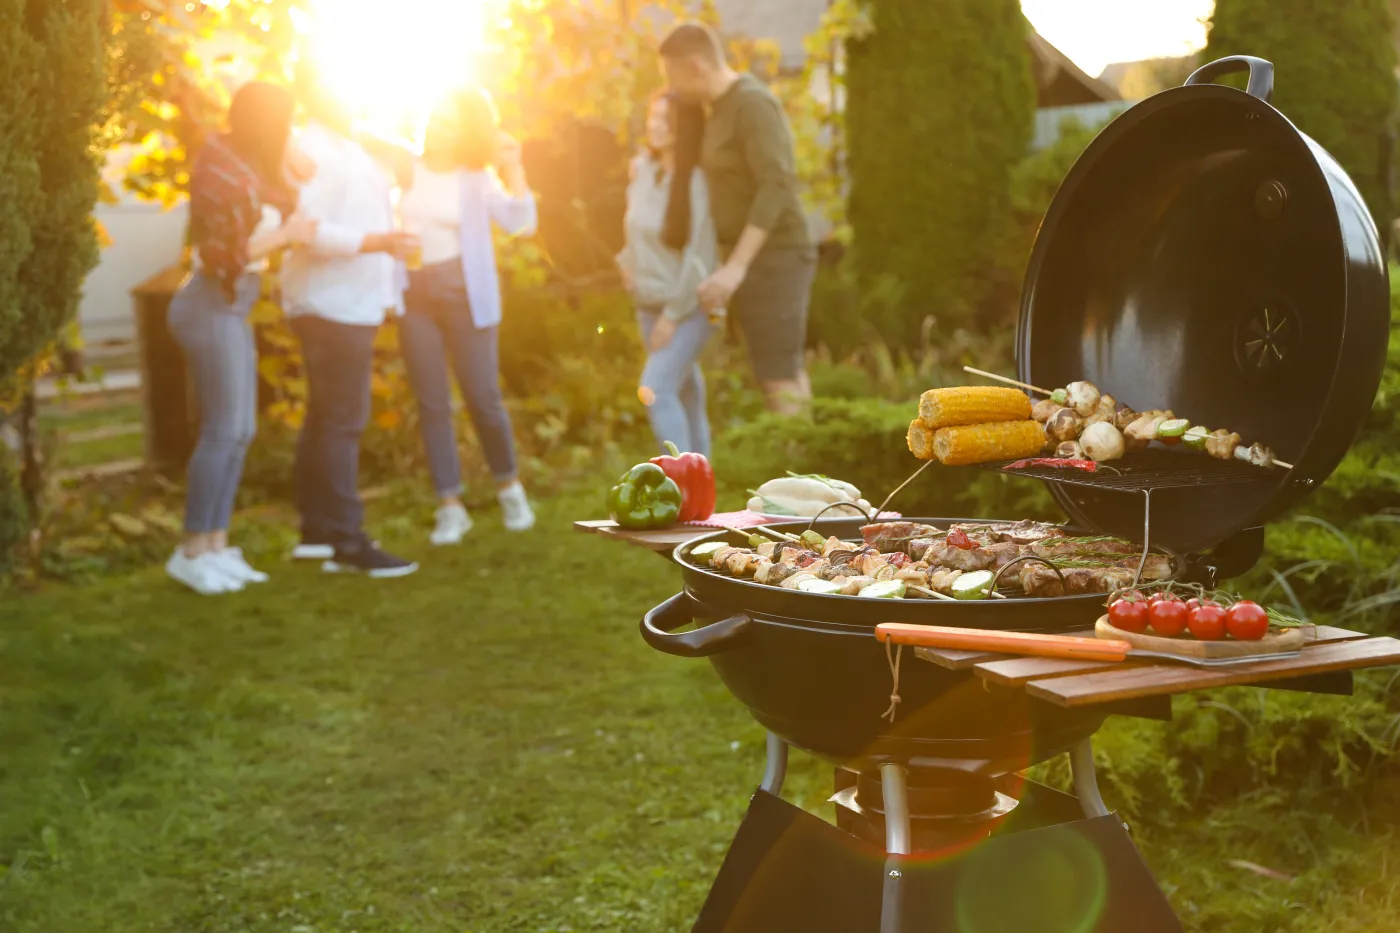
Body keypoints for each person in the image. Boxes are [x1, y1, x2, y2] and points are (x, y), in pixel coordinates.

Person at [165, 81, 318, 595]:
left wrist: (289, 150)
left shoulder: (252, 164)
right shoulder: (221, 169)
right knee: (222, 431)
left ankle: (216, 545)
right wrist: (287, 236)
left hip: (234, 304)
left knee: (241, 430)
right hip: (210, 303)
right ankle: (191, 551)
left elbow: (297, 186)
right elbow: (222, 257)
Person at [281, 63, 421, 577]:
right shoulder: (312, 149)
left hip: (349, 303)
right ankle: (346, 540)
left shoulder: (348, 145)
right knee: (343, 420)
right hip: (330, 304)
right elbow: (308, 231)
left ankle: (317, 534)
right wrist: (379, 242)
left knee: (326, 418)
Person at [396, 89, 538, 545]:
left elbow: (521, 224)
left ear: (464, 134)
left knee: (482, 396)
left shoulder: (476, 179)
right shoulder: (404, 170)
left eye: (450, 124)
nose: (437, 129)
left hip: (464, 293)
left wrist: (514, 169)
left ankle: (509, 488)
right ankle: (450, 506)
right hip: (414, 293)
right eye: (436, 118)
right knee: (432, 401)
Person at [659, 22, 816, 417]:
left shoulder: (751, 104)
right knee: (778, 370)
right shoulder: (718, 109)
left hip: (776, 256)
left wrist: (736, 267)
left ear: (696, 66)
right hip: (751, 259)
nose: (671, 87)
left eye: (672, 75)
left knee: (778, 375)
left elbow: (777, 182)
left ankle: (797, 452)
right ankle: (804, 450)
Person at [617, 91, 718, 458]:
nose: (654, 125)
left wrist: (672, 317)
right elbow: (634, 229)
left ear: (684, 127)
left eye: (664, 119)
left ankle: (681, 481)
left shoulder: (696, 182)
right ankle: (703, 485)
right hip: (648, 306)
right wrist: (626, 262)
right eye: (652, 116)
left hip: (690, 309)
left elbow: (701, 255)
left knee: (656, 389)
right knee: (685, 395)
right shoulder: (644, 171)